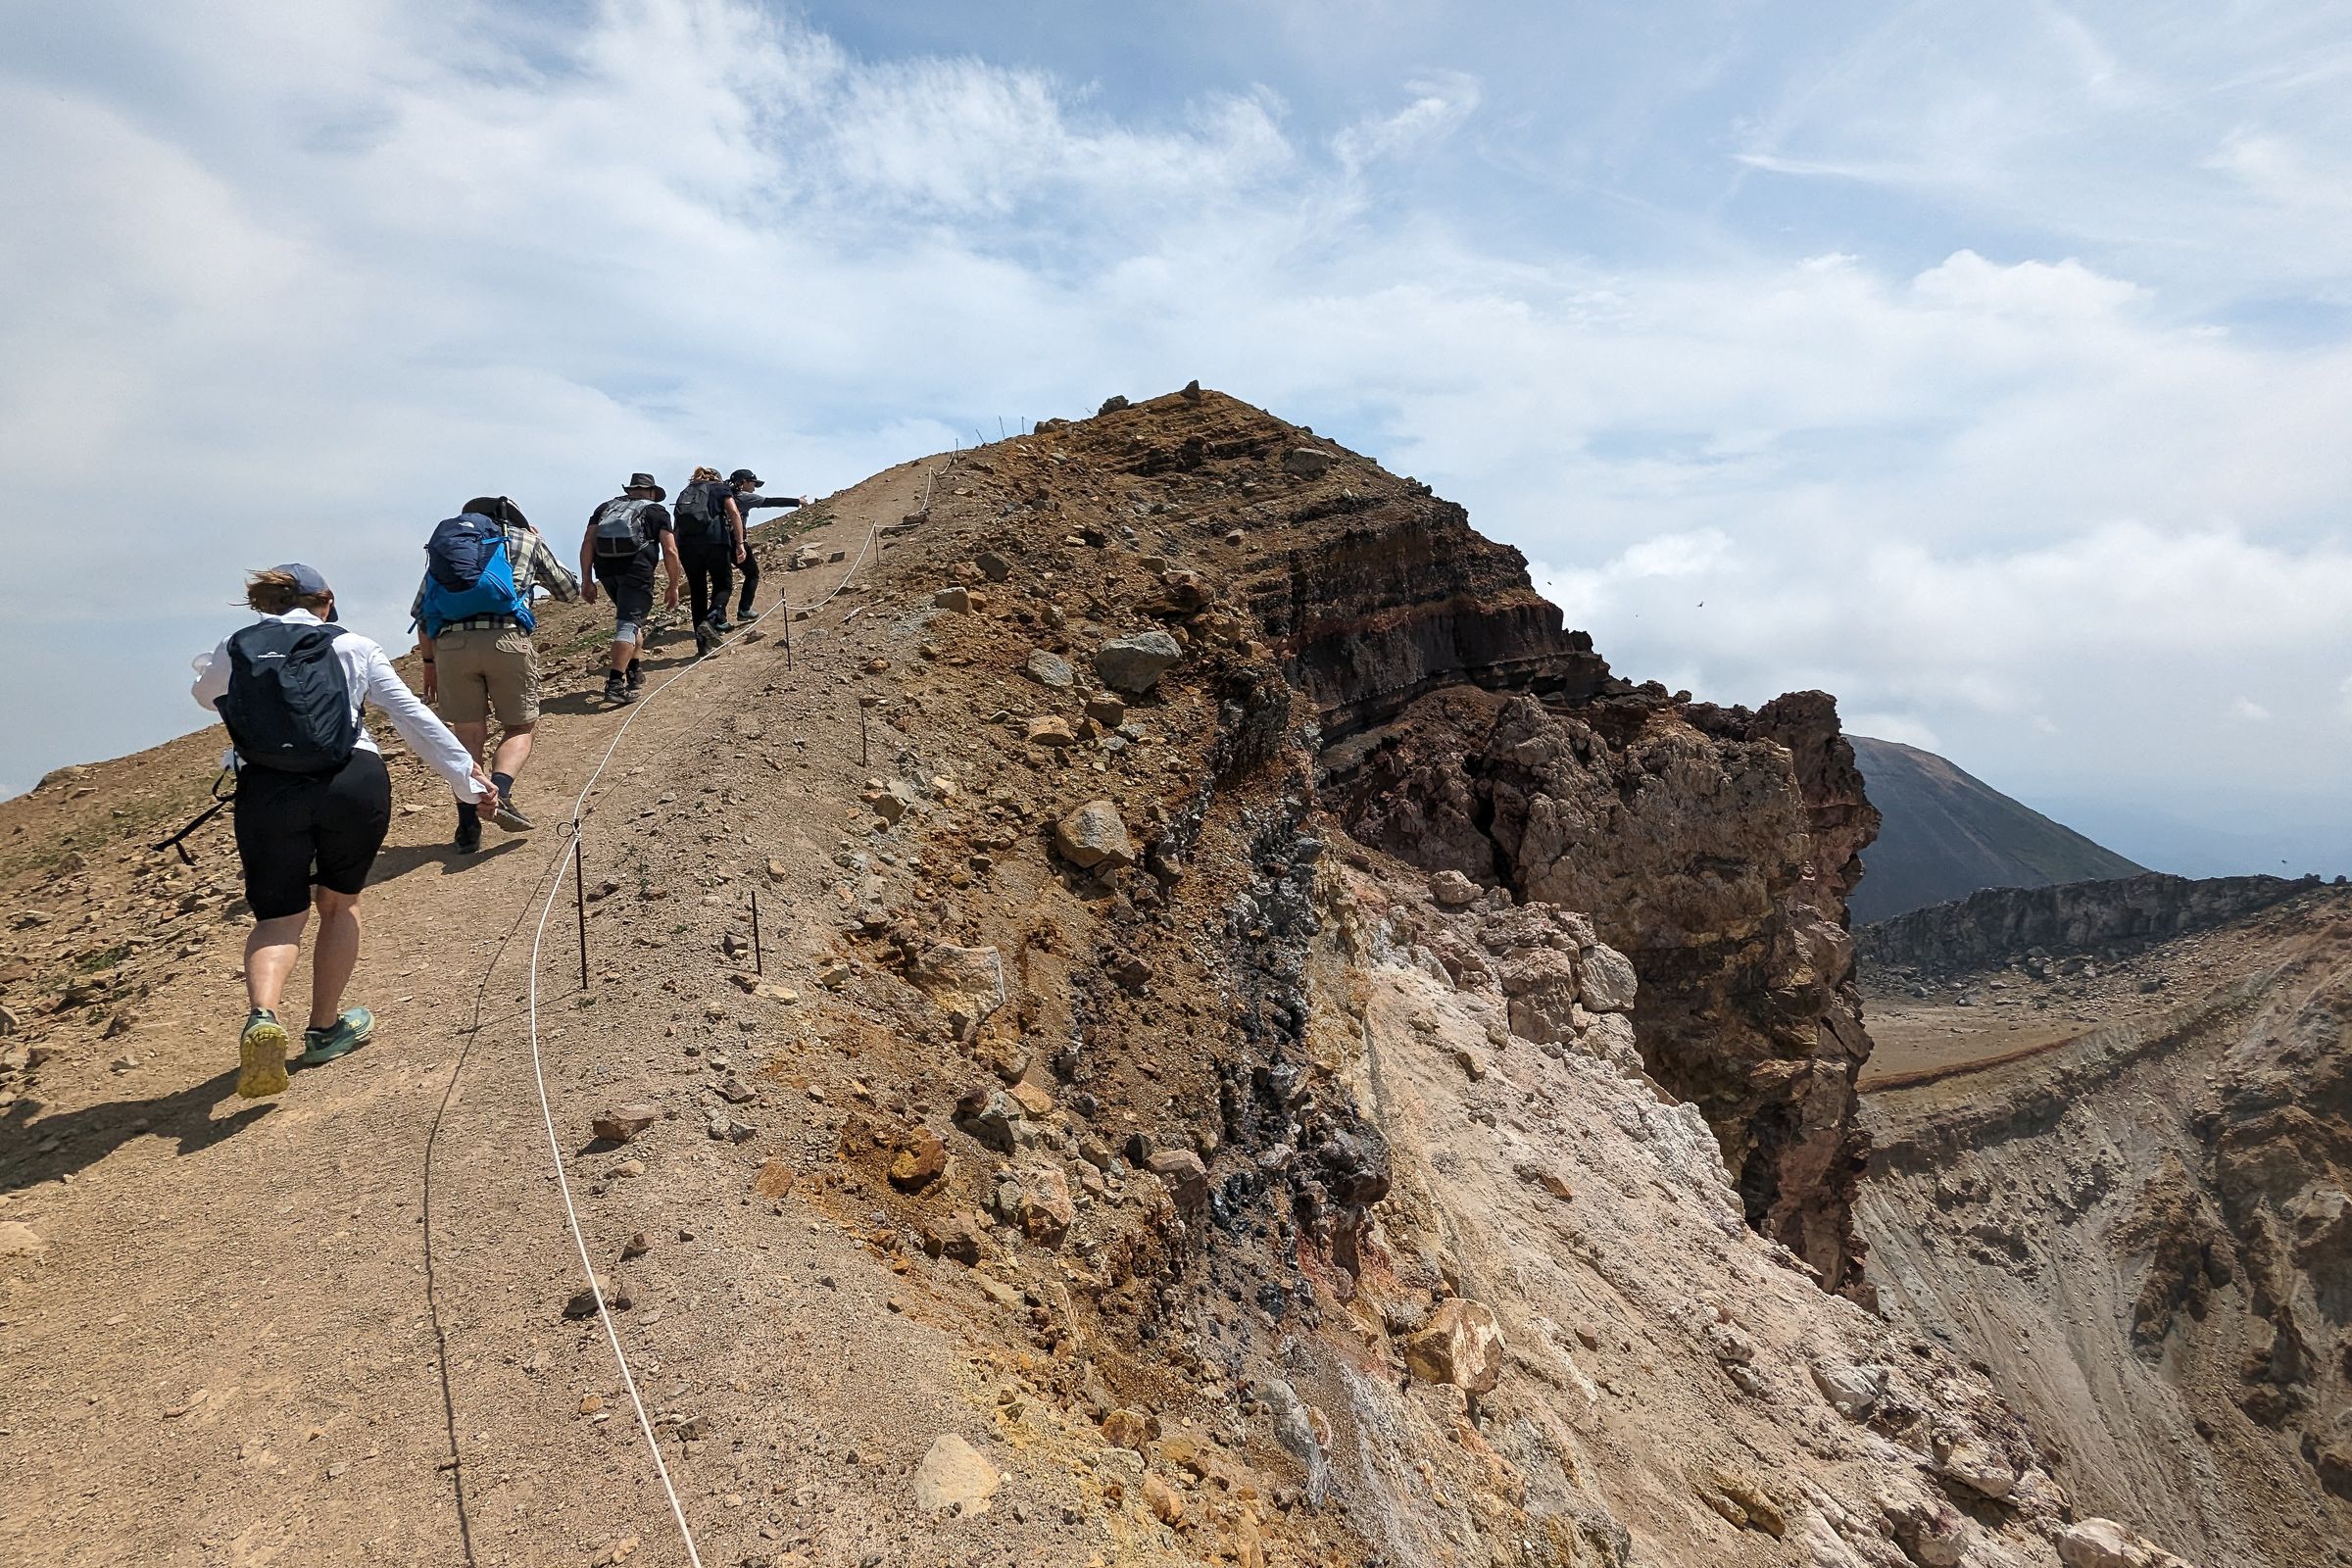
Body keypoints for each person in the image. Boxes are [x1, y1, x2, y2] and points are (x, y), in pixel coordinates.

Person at [193, 564, 495, 1099]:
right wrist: (469, 782)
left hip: (268, 791)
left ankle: (262, 1015)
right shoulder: (353, 645)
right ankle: (324, 1028)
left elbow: (204, 695)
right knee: (340, 903)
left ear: (267, 604)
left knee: (278, 919)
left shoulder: (236, 644)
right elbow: (412, 717)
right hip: (350, 782)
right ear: (325, 599)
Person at [411, 496, 579, 852]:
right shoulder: (525, 541)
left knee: (469, 734)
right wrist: (539, 543)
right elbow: (568, 590)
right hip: (506, 639)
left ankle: (467, 823)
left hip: (451, 648)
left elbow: (421, 611)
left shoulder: (450, 550)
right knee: (519, 726)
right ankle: (498, 793)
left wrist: (429, 664)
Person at [579, 472, 683, 706]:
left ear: (629, 490)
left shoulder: (605, 508)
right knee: (628, 623)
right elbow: (670, 550)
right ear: (652, 493)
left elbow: (588, 541)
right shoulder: (655, 511)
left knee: (631, 619)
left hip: (606, 571)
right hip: (636, 571)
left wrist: (586, 579)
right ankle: (615, 684)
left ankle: (633, 670)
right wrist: (673, 585)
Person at [724, 467, 813, 621]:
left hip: (717, 541)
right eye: (753, 483)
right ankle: (744, 610)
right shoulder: (744, 497)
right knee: (752, 573)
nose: (754, 488)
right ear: (744, 482)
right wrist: (796, 502)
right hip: (734, 540)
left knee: (723, 580)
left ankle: (718, 619)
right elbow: (770, 502)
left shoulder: (723, 496)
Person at [672, 465, 744, 655]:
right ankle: (711, 620)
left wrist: (677, 552)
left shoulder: (685, 492)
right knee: (723, 585)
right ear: (717, 478)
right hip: (715, 542)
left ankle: (702, 647)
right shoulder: (720, 489)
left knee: (698, 593)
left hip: (688, 547)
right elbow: (734, 513)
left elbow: (677, 525)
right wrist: (740, 543)